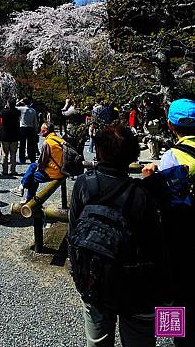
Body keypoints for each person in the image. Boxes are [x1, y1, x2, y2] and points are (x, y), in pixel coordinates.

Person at [69, 123, 169, 347]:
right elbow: (156, 248)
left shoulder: (85, 184)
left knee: (97, 341)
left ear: (100, 152)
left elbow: (73, 231)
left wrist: (79, 275)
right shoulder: (143, 194)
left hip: (93, 278)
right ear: (133, 155)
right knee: (140, 339)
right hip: (135, 289)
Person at [142, 98, 195, 346]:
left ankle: (175, 336)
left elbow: (157, 198)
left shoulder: (172, 156)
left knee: (172, 288)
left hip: (179, 233)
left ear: (171, 126)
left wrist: (150, 177)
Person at [10, 123, 64, 202]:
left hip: (54, 172)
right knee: (33, 166)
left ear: (45, 131)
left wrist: (38, 169)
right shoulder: (58, 139)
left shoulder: (48, 143)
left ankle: (28, 197)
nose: (40, 131)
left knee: (33, 177)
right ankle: (21, 188)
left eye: (41, 129)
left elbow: (42, 162)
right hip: (61, 169)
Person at [0, 99, 20, 175]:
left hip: (5, 135)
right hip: (14, 135)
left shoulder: (4, 112)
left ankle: (5, 170)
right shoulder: (17, 112)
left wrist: (5, 107)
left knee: (4, 154)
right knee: (13, 154)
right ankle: (13, 170)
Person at [16, 98, 38, 164]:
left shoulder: (21, 109)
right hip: (31, 128)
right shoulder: (33, 110)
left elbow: (13, 107)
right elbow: (35, 121)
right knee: (31, 144)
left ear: (23, 103)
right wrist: (36, 130)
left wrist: (19, 101)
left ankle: (22, 159)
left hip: (22, 128)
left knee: (22, 145)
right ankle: (32, 158)